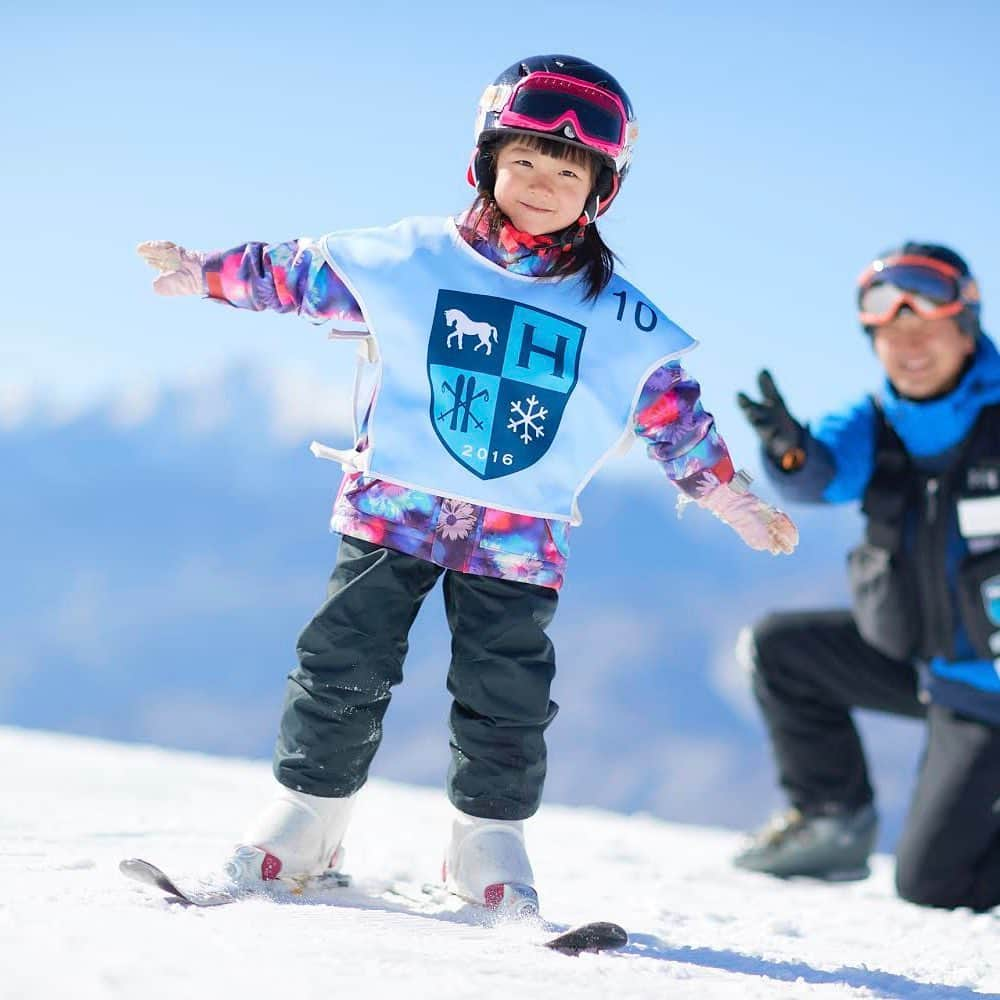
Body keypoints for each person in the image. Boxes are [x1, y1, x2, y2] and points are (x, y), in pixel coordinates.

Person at [139, 54, 797, 918]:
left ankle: (487, 845)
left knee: (506, 694)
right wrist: (209, 274)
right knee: (342, 661)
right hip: (394, 509)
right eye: (522, 160)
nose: (540, 183)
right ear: (485, 161)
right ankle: (305, 824)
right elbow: (300, 271)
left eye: (567, 171)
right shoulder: (412, 258)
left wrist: (725, 493)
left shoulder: (616, 315)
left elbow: (669, 409)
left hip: (517, 534)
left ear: (601, 191)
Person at [733, 242, 1000, 910]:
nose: (910, 346)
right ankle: (832, 820)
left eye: (928, 328)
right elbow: (820, 471)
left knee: (933, 883)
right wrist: (789, 452)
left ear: (966, 328)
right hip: (933, 670)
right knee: (781, 649)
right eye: (892, 332)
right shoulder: (873, 422)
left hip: (987, 684)